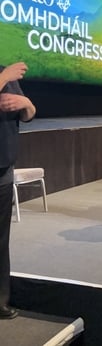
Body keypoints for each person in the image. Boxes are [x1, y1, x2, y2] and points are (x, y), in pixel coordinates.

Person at [0, 62, 37, 320]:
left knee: (1, 242)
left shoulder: (5, 71)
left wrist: (24, 103)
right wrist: (4, 77)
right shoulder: (6, 73)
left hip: (3, 169)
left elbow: (30, 112)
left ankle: (1, 300)